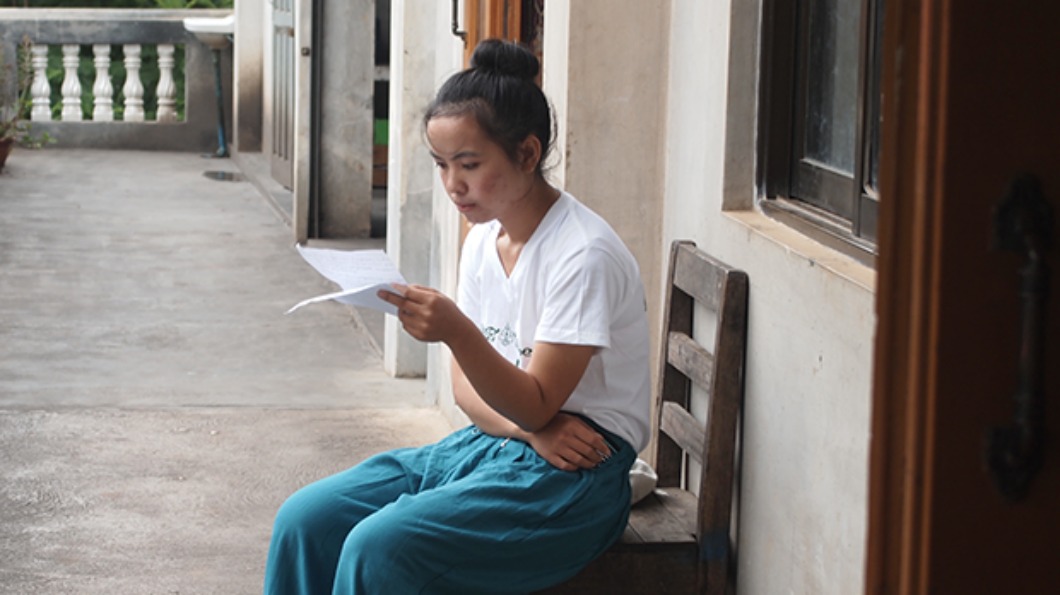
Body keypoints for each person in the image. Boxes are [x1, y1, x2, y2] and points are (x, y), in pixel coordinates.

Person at [263, 38, 651, 594]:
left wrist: (458, 334)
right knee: (306, 520)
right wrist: (526, 430)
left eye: (469, 164)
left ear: (526, 153)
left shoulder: (582, 254)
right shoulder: (484, 238)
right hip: (502, 442)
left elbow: (540, 399)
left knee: (379, 548)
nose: (452, 184)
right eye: (442, 165)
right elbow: (467, 390)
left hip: (574, 477)